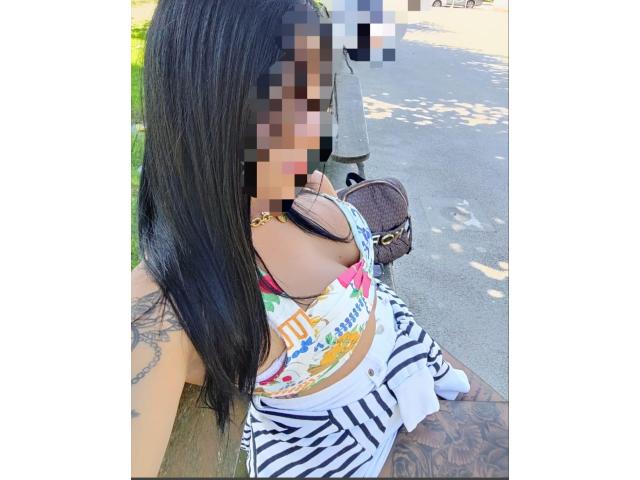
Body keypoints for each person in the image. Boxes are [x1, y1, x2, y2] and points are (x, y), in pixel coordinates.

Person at [131, 0, 470, 477]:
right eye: (293, 106)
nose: (319, 134)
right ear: (213, 108)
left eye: (320, 100)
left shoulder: (301, 184)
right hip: (336, 457)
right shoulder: (158, 309)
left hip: (413, 372)